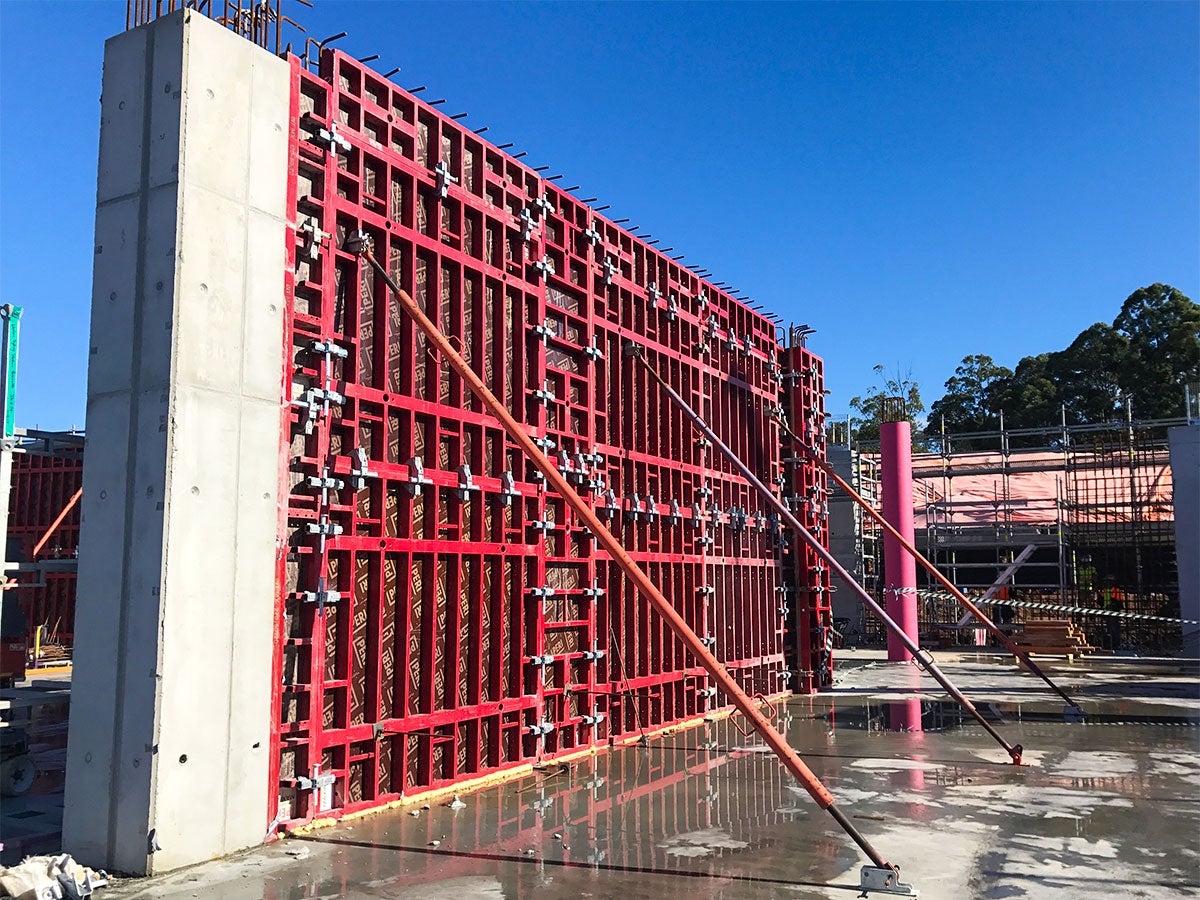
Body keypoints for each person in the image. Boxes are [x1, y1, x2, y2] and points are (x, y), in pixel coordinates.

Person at [1100, 580, 1126, 651]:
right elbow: (1100, 601)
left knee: (1115, 629)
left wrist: (1112, 606)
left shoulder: (1116, 591)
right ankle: (1111, 644)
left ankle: (1116, 644)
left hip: (1114, 613)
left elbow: (1119, 603)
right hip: (1106, 612)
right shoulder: (1104, 591)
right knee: (1109, 629)